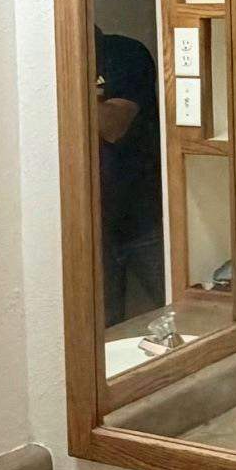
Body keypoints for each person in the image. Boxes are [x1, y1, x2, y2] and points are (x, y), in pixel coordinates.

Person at [94, 25, 164, 323]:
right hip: (92, 230)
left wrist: (67, 76)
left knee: (186, 308)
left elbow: (111, 126)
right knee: (102, 334)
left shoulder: (124, 53)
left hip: (144, 217)